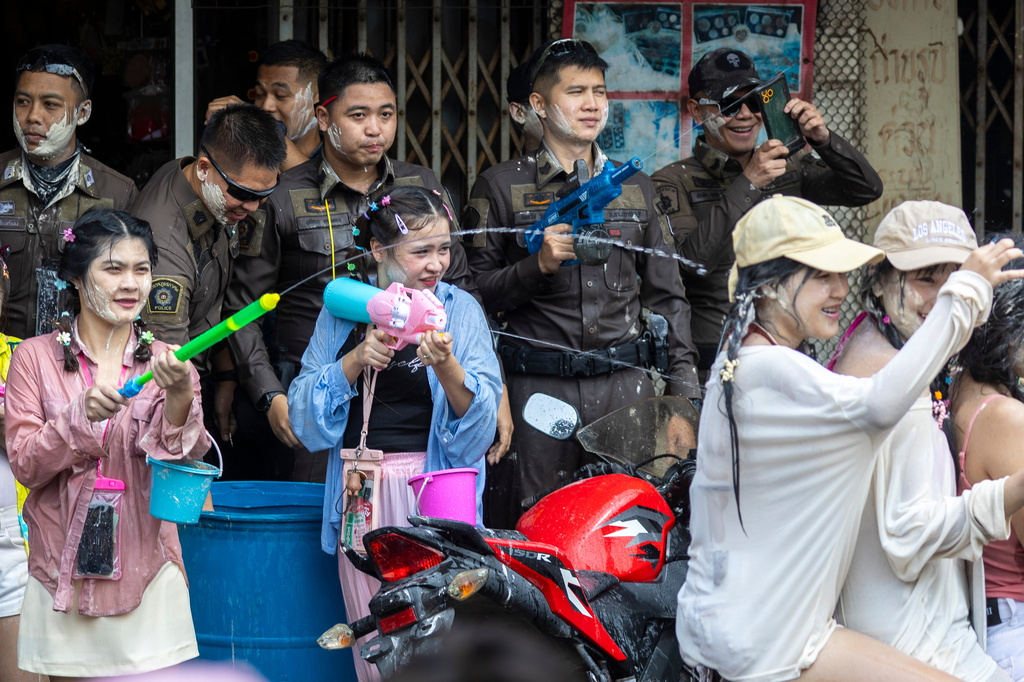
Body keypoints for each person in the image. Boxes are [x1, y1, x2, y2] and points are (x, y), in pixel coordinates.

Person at [677, 194, 1024, 682]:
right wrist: (963, 294)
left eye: (842, 273)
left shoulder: (761, 360)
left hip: (767, 631)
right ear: (771, 286)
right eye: (822, 274)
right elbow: (882, 407)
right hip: (775, 642)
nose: (840, 288)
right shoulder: (776, 369)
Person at [221, 52, 509, 484]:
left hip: (424, 408)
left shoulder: (423, 186)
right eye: (358, 115)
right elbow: (244, 306)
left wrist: (495, 391)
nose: (375, 129)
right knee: (330, 532)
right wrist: (271, 395)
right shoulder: (283, 196)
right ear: (324, 116)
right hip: (323, 401)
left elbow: (463, 291)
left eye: (386, 114)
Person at [465, 38, 700, 509]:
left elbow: (669, 297)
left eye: (600, 91)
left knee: (629, 524)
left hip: (626, 390)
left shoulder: (634, 187)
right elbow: (471, 298)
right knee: (538, 522)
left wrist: (684, 395)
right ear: (539, 105)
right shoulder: (500, 185)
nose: (592, 104)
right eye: (576, 92)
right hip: (537, 390)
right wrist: (536, 267)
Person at [288, 186, 501, 682]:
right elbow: (304, 417)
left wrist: (447, 366)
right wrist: (354, 360)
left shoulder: (460, 309)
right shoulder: (345, 307)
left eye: (444, 248)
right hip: (360, 491)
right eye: (421, 251)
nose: (437, 264)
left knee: (439, 641)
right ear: (379, 252)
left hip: (432, 489)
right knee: (375, 640)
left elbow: (478, 432)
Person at [6, 208, 209, 680]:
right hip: (61, 566)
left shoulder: (168, 363)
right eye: (112, 268)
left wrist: (180, 396)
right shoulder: (33, 359)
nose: (130, 284)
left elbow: (181, 459)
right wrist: (77, 421)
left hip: (149, 566)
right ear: (77, 278)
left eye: (141, 270)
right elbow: (26, 466)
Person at [831, 201, 1021, 682]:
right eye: (925, 279)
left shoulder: (874, 343)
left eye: (956, 278)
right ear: (878, 283)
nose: (943, 298)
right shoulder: (896, 383)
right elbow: (909, 534)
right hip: (918, 649)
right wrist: (1008, 494)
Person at [651, 48, 882, 377]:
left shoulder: (786, 167)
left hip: (789, 349)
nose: (745, 115)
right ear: (697, 111)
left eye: (755, 102)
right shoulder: (673, 180)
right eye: (730, 105)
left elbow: (866, 189)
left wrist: (822, 139)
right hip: (718, 359)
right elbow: (690, 264)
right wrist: (748, 183)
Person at [131, 103, 284, 469]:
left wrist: (228, 373)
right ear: (203, 168)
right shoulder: (165, 247)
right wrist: (190, 447)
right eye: (243, 194)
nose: (253, 206)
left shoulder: (206, 186)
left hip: (209, 366)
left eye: (264, 195)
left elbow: (216, 295)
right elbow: (167, 364)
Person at [0, 44, 139, 340]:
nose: (33, 116)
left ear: (83, 112)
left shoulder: (116, 192)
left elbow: (130, 292)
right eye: (23, 102)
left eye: (50, 104)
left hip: (75, 367)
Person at [952, 268, 1024, 682]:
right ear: (1011, 332)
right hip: (1015, 630)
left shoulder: (961, 386)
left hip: (989, 620)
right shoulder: (1006, 416)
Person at [205, 40, 328, 171]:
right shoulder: (243, 155)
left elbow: (314, 187)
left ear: (318, 99)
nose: (265, 106)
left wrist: (270, 135)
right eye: (259, 94)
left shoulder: (340, 155)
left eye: (280, 95)